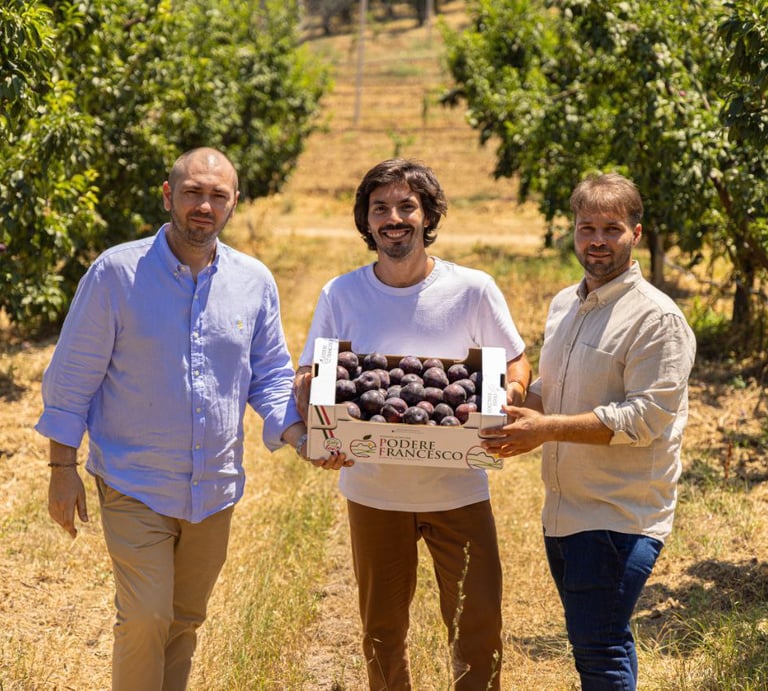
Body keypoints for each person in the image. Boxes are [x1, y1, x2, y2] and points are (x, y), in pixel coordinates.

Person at [35, 147, 313, 691]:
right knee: (145, 617)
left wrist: (304, 436)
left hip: (214, 487)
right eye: (192, 193)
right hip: (134, 481)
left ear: (234, 204)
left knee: (184, 620)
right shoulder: (116, 274)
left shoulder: (253, 281)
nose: (203, 206)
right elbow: (71, 377)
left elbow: (272, 374)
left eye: (217, 196)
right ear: (168, 196)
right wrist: (60, 467)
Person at [294, 158, 531, 690]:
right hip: (374, 491)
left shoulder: (472, 289)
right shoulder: (341, 293)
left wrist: (507, 396)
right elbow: (313, 372)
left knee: (478, 624)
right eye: (381, 208)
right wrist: (317, 412)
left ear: (427, 216)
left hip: (458, 487)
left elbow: (515, 361)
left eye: (407, 206)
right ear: (367, 220)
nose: (394, 218)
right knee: (381, 632)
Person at [481, 172, 696, 690]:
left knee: (598, 648)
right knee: (602, 641)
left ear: (636, 233)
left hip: (619, 513)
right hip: (565, 510)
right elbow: (550, 392)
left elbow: (644, 418)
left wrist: (546, 428)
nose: (597, 240)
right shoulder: (564, 305)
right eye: (586, 228)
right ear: (572, 232)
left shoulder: (656, 320)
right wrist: (507, 407)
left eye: (612, 228)